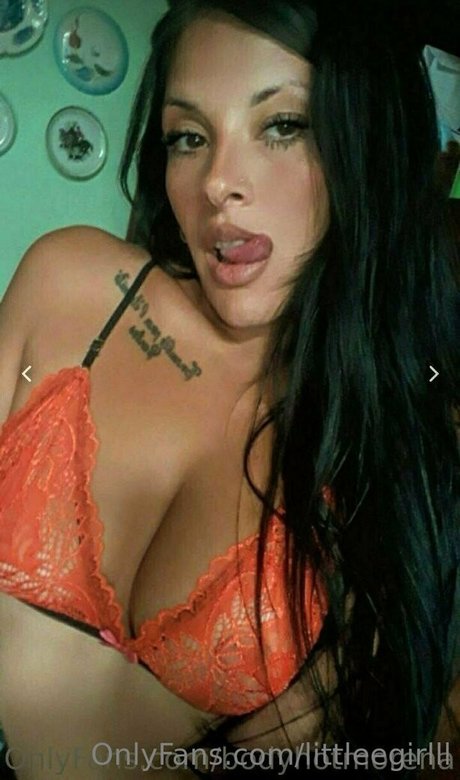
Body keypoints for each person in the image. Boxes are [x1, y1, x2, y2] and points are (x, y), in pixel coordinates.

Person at [0, 0, 459, 777]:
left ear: (366, 146)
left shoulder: (389, 469)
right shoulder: (69, 284)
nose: (217, 183)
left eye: (282, 126)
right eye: (188, 136)